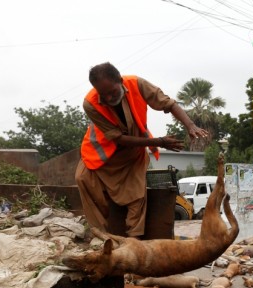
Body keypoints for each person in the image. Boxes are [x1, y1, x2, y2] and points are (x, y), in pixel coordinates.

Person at [75, 62, 208, 237]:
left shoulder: (137, 84)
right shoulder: (90, 104)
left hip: (132, 154)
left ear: (120, 81)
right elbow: (119, 139)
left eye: (113, 92)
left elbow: (169, 104)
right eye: (103, 95)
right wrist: (159, 141)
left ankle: (134, 242)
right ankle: (100, 237)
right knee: (82, 178)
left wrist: (190, 125)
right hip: (102, 156)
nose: (109, 98)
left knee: (137, 196)